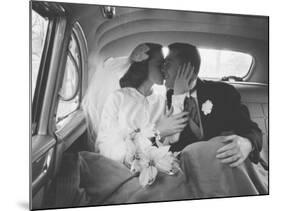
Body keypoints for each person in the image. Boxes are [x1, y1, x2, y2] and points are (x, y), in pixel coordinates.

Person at [162, 42, 268, 196]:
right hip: (198, 173)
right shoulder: (170, 97)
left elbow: (252, 130)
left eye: (168, 63)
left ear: (187, 68)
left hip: (227, 169)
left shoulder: (222, 92)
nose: (163, 68)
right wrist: (179, 97)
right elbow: (175, 146)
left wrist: (247, 143)